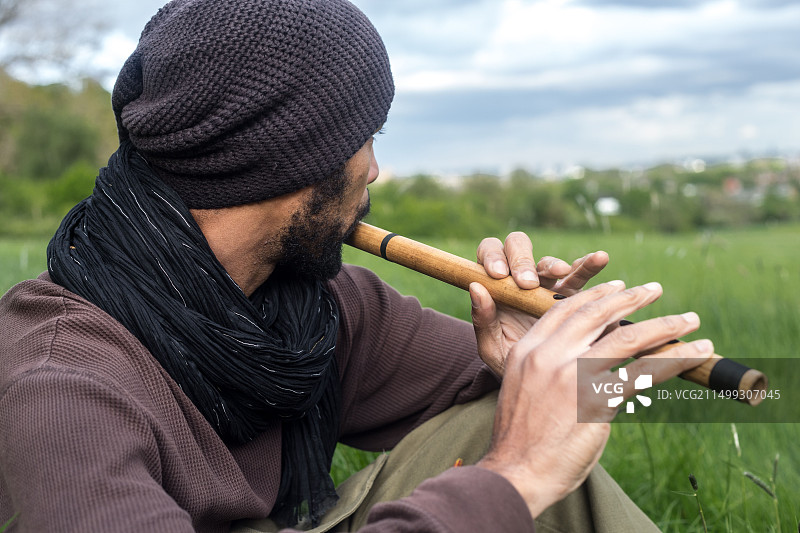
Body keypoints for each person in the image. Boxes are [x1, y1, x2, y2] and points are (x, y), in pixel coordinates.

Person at [0, 0, 713, 531]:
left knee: (500, 415)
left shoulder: (313, 305)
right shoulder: (63, 387)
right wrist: (514, 477)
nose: (375, 167)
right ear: (290, 157)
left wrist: (547, 360)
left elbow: (546, 405)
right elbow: (518, 464)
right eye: (362, 136)